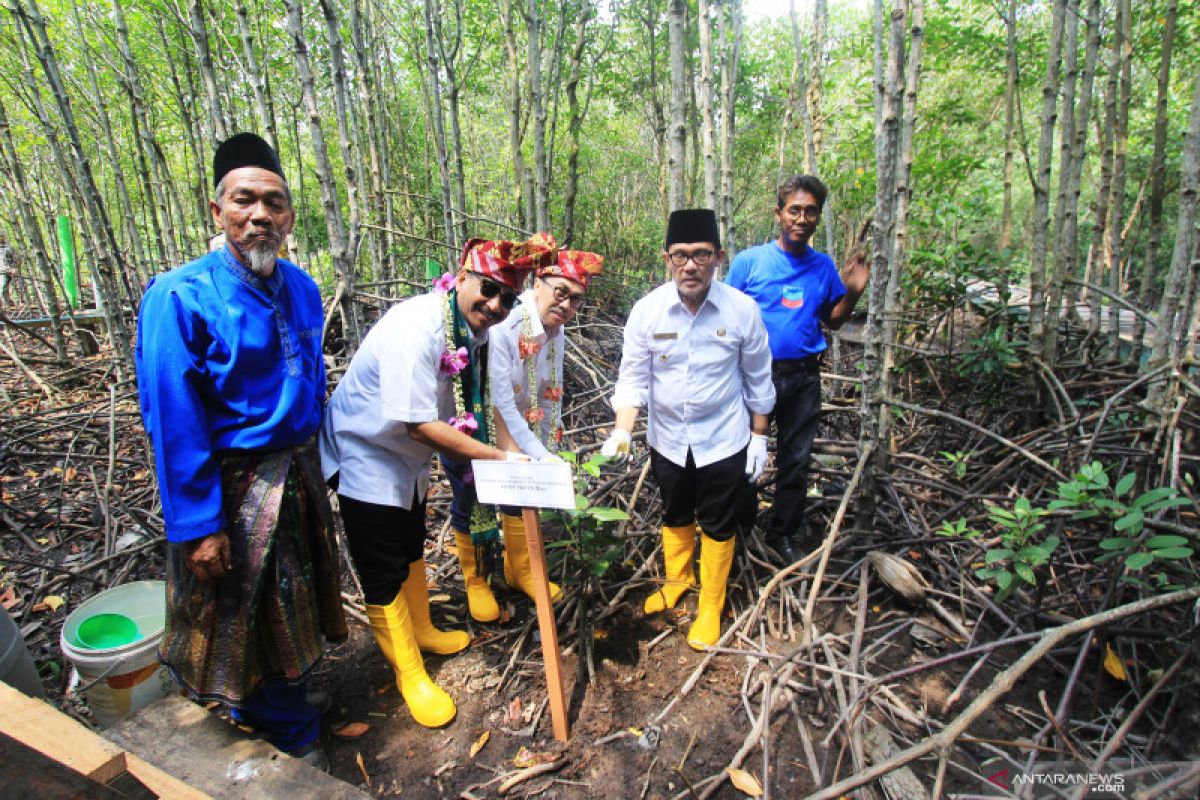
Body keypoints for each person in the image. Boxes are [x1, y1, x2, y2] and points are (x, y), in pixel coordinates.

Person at [135, 133, 345, 764]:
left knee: (293, 598)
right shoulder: (179, 295)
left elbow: (312, 380)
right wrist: (199, 525)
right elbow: (172, 416)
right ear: (217, 209)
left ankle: (285, 703)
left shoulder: (303, 288)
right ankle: (286, 732)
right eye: (244, 201)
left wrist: (324, 467)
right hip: (232, 486)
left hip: (296, 473)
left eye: (274, 204)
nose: (260, 216)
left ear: (289, 217)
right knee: (243, 608)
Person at [319, 235, 554, 727]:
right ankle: (409, 671)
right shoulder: (419, 327)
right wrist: (497, 460)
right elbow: (417, 423)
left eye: (507, 299)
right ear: (461, 277)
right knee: (381, 563)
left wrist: (518, 455)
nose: (494, 305)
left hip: (407, 458)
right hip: (366, 449)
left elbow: (472, 405)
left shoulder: (475, 333)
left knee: (409, 544)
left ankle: (422, 627)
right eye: (488, 290)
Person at [601, 209, 774, 650]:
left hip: (724, 439)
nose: (690, 265)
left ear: (718, 257)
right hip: (669, 439)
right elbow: (632, 379)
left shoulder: (741, 311)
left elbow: (757, 378)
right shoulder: (647, 312)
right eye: (680, 256)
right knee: (674, 510)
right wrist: (624, 429)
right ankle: (678, 580)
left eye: (700, 255)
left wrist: (759, 437)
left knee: (718, 520)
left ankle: (711, 603)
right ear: (667, 258)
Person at [725, 175, 869, 565]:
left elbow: (833, 321)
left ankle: (782, 534)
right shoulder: (749, 262)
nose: (801, 218)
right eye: (794, 210)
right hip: (754, 376)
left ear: (818, 217)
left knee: (796, 459)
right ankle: (738, 530)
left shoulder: (822, 267)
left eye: (810, 212)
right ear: (779, 213)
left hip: (804, 378)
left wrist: (852, 290)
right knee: (740, 454)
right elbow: (724, 314)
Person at [455, 248, 604, 615]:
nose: (567, 305)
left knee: (523, 486)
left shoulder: (558, 328)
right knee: (470, 489)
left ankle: (520, 570)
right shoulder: (508, 322)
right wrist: (540, 453)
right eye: (560, 292)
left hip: (521, 419)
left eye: (576, 300)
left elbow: (549, 390)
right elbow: (501, 400)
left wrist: (548, 442)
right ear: (538, 283)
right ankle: (476, 580)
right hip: (478, 410)